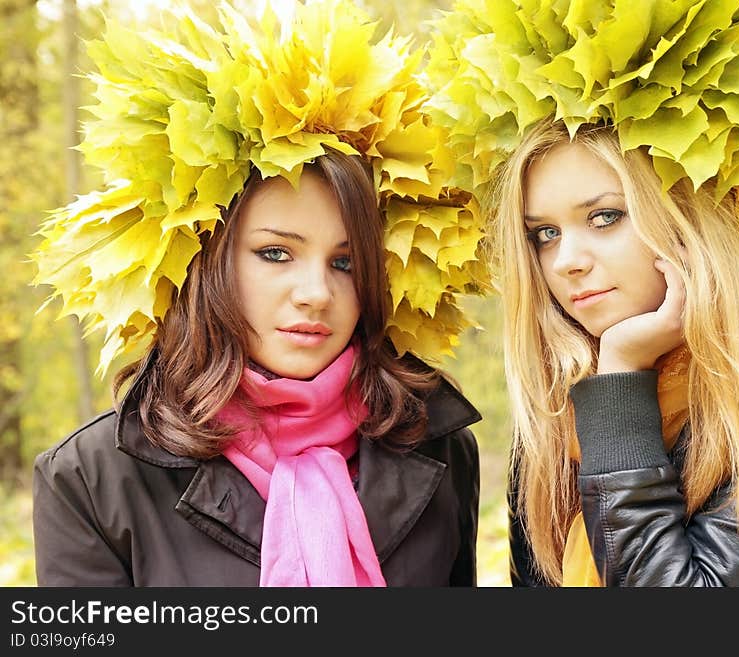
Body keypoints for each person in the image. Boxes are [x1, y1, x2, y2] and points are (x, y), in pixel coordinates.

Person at [30, 0, 486, 587]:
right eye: (275, 253)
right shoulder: (92, 479)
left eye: (345, 263)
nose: (316, 293)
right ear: (204, 263)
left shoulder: (440, 451)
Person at [425, 0, 739, 586]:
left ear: (692, 213)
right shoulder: (561, 402)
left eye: (607, 217)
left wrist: (621, 383)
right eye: (544, 233)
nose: (566, 261)